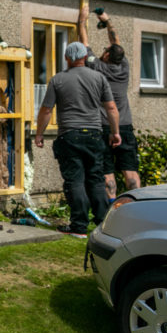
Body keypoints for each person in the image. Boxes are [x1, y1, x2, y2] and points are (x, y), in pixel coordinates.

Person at [35, 42, 121, 238]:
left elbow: (47, 110)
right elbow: (111, 108)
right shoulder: (99, 78)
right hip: (94, 134)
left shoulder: (58, 80)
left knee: (75, 180)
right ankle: (102, 224)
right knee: (96, 179)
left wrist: (39, 134)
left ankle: (79, 226)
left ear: (67, 58)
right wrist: (115, 132)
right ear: (84, 57)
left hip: (69, 135)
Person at [78, 4, 141, 201]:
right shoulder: (123, 66)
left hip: (104, 126)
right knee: (129, 168)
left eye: (105, 50)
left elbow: (83, 41)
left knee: (107, 170)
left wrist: (82, 19)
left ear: (106, 56)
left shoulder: (97, 67)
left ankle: (112, 207)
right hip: (125, 126)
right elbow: (116, 43)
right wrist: (107, 21)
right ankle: (137, 206)